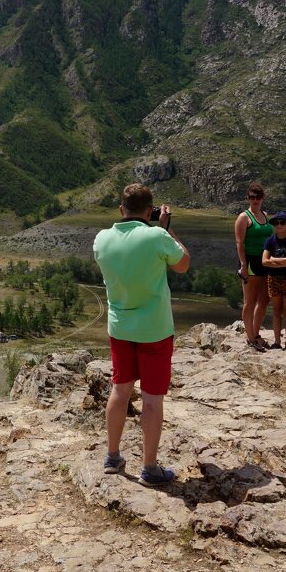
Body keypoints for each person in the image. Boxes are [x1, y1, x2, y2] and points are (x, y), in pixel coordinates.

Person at [93, 184, 190, 485]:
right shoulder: (157, 236)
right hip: (155, 331)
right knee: (151, 399)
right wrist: (166, 230)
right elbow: (183, 264)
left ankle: (112, 457)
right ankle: (149, 467)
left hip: (119, 328)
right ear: (150, 211)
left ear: (121, 209)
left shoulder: (101, 239)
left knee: (120, 390)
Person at [234, 183, 272, 352]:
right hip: (250, 261)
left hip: (265, 260)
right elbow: (239, 243)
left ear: (263, 198)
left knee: (264, 300)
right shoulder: (244, 217)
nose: (255, 200)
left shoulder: (265, 215)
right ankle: (250, 337)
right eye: (252, 197)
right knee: (250, 301)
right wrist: (243, 264)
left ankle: (256, 333)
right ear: (248, 198)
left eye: (258, 197)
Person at [261, 210, 286, 350]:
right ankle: (277, 342)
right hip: (273, 279)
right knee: (276, 311)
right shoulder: (270, 241)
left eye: (282, 222)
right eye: (276, 223)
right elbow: (264, 261)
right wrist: (282, 261)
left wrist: (273, 259)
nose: (279, 225)